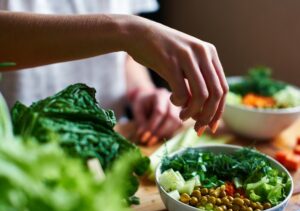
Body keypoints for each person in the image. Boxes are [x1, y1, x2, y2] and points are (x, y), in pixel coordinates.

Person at [0, 1, 228, 145]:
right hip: (18, 152)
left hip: (107, 143)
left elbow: (126, 57)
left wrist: (142, 92)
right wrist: (125, 31)